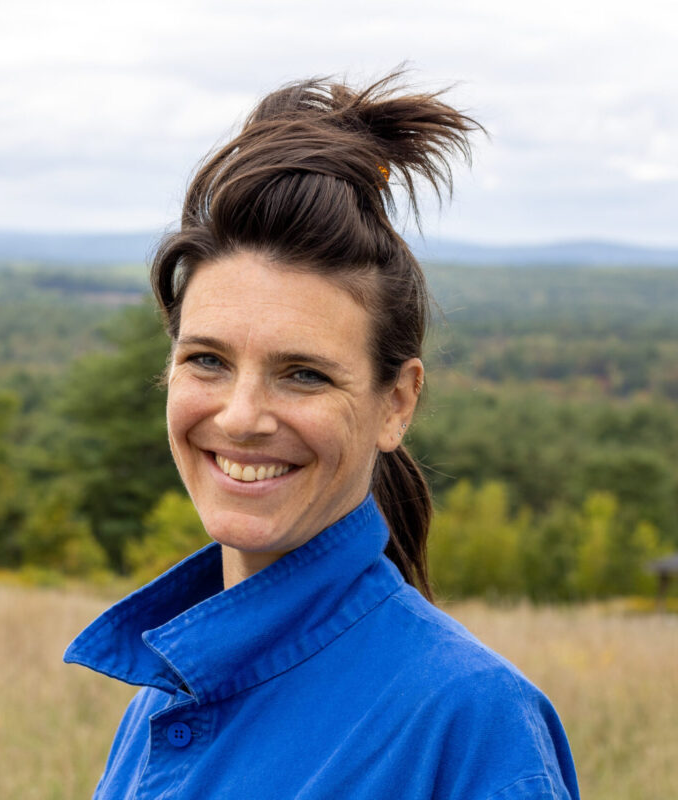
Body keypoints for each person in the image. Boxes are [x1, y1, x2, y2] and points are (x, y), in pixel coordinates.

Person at [65, 72, 581, 799]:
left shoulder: (470, 725)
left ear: (395, 405)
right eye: (208, 360)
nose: (242, 417)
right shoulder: (162, 698)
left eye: (303, 374)